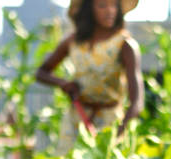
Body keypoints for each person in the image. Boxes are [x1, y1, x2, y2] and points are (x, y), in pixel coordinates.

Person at [34, 0, 143, 150]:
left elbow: (137, 101)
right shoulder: (73, 41)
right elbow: (41, 72)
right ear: (88, 9)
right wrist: (63, 84)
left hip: (109, 122)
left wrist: (120, 130)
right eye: (103, 5)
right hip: (76, 119)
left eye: (114, 5)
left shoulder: (125, 45)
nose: (110, 11)